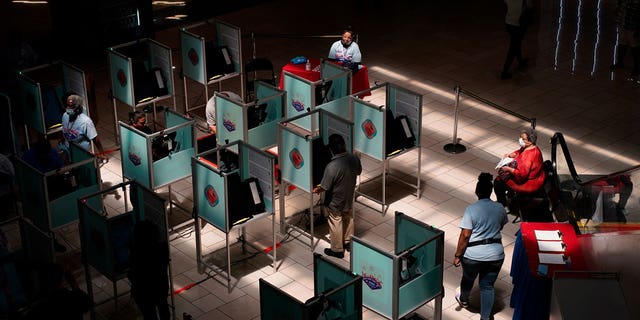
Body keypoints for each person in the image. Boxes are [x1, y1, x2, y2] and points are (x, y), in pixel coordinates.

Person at [453, 172, 507, 320]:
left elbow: (465, 236)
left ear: (477, 191)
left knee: (468, 278)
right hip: (496, 255)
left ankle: (463, 299)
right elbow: (500, 226)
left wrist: (458, 255)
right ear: (491, 191)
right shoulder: (500, 208)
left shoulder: (471, 210)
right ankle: (485, 318)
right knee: (487, 286)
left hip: (473, 255)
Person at [313, 134, 362, 259]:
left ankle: (337, 249)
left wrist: (317, 189)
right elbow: (359, 171)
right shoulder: (353, 158)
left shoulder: (332, 166)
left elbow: (325, 186)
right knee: (348, 217)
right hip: (349, 195)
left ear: (331, 149)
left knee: (335, 221)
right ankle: (348, 242)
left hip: (335, 200)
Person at [128, 220, 171, 320]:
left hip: (143, 292)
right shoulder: (162, 248)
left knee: (150, 315)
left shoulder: (137, 254)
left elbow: (134, 274)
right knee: (164, 310)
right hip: (160, 287)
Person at [61, 94, 107, 162]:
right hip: (68, 150)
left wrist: (102, 154)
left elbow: (95, 139)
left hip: (81, 153)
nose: (68, 108)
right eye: (67, 105)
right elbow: (65, 130)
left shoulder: (86, 121)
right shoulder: (65, 116)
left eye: (71, 106)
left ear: (78, 108)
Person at [501, 0, 532, 79]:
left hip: (509, 23)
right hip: (519, 24)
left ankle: (520, 62)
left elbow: (505, 5)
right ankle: (504, 71)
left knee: (516, 43)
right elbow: (530, 6)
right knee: (513, 47)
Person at [609, 0, 640, 81]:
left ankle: (637, 67)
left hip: (632, 24)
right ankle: (620, 62)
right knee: (622, 42)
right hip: (623, 21)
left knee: (634, 44)